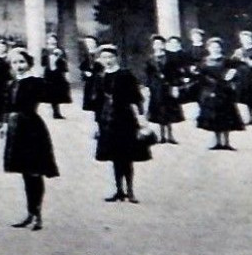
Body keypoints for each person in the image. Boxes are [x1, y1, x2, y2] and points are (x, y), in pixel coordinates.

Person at [3, 47, 58, 230]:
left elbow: (54, 93)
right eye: (15, 62)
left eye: (22, 62)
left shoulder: (35, 82)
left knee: (35, 172)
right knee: (25, 174)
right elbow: (8, 106)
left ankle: (38, 214)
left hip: (32, 129)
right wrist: (5, 125)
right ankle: (30, 213)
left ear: (28, 64)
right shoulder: (12, 84)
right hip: (16, 129)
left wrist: (50, 69)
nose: (18, 66)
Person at [93, 44, 151, 203]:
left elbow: (137, 98)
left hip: (125, 119)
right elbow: (97, 103)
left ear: (116, 57)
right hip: (107, 120)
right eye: (104, 58)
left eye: (110, 57)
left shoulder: (125, 75)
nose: (107, 60)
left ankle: (130, 191)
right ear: (100, 59)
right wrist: (97, 124)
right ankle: (119, 190)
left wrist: (141, 118)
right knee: (114, 157)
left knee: (127, 156)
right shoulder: (100, 77)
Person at [195, 36, 246, 150]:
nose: (215, 49)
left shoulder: (226, 60)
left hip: (224, 91)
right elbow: (200, 76)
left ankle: (226, 142)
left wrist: (232, 73)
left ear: (221, 48)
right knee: (214, 117)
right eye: (213, 47)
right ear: (208, 48)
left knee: (226, 116)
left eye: (217, 47)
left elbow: (239, 67)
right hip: (210, 91)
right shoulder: (204, 61)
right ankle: (217, 142)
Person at [144, 34, 185, 144]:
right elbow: (148, 74)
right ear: (153, 46)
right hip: (156, 88)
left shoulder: (170, 57)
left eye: (160, 43)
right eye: (156, 44)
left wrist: (175, 86)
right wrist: (148, 87)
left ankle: (170, 136)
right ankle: (162, 136)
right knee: (159, 111)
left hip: (168, 86)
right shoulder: (150, 59)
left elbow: (175, 73)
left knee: (168, 111)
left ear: (164, 45)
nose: (158, 46)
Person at [40, 33, 71, 120]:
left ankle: (56, 112)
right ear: (47, 41)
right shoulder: (44, 51)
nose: (52, 41)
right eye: (50, 39)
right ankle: (54, 111)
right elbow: (43, 63)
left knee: (57, 93)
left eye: (54, 39)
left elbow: (64, 64)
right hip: (48, 73)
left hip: (58, 74)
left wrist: (59, 57)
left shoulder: (60, 50)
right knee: (50, 92)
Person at [77, 35, 102, 119]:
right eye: (87, 43)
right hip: (90, 82)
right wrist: (85, 73)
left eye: (91, 42)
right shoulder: (85, 55)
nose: (89, 44)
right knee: (92, 104)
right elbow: (82, 67)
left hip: (100, 80)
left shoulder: (100, 53)